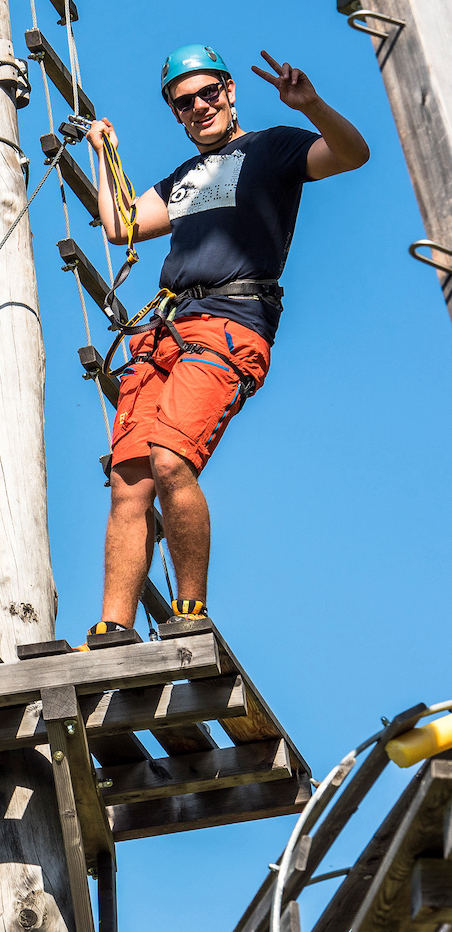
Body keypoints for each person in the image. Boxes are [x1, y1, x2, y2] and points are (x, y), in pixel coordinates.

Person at [85, 45, 369, 641]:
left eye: (207, 93)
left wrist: (310, 102)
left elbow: (352, 153)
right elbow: (121, 227)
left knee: (171, 460)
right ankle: (113, 626)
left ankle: (190, 614)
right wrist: (105, 152)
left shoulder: (273, 147)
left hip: (229, 321)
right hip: (166, 330)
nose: (198, 107)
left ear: (230, 90)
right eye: (183, 103)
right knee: (129, 480)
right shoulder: (182, 179)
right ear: (177, 114)